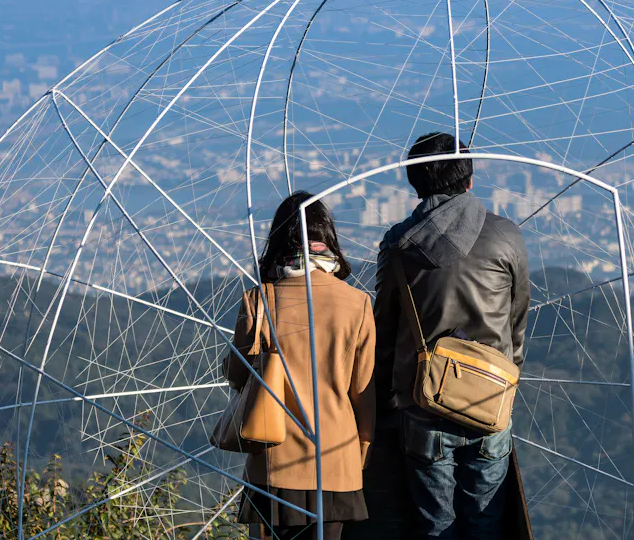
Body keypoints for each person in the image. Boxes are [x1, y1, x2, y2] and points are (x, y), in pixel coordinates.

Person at [372, 132, 530, 540]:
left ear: (415, 183)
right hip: (490, 400)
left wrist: (387, 400)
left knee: (434, 525)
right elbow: (517, 322)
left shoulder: (398, 244)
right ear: (469, 180)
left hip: (423, 405)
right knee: (485, 522)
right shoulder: (507, 236)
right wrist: (508, 380)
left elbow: (385, 329)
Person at [224, 192, 375, 540]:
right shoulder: (358, 305)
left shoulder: (260, 300)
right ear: (329, 239)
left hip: (273, 463)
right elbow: (363, 392)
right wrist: (362, 450)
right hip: (336, 459)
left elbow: (236, 377)